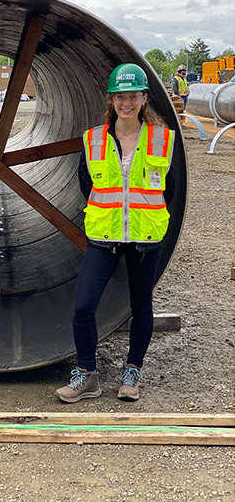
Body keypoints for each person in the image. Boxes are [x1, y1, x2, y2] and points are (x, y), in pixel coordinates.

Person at [55, 63, 175, 403]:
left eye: (133, 96)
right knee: (83, 306)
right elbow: (85, 183)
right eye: (120, 97)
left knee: (141, 306)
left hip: (144, 237)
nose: (126, 103)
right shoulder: (94, 140)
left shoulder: (161, 138)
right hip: (104, 235)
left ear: (144, 99)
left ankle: (132, 371)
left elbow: (170, 187)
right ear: (112, 99)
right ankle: (87, 374)